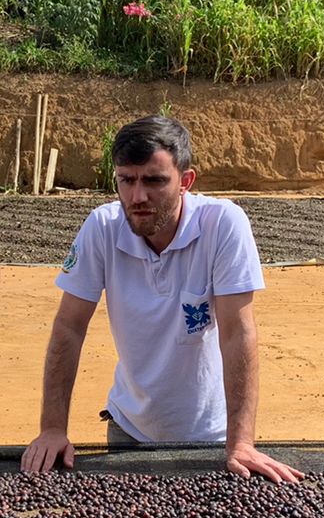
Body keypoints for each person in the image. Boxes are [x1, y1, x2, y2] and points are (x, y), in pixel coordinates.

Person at [21, 116, 303, 483]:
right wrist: (53, 428)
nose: (138, 197)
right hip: (129, 430)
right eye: (126, 180)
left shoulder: (223, 225)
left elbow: (237, 333)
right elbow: (69, 327)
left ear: (186, 181)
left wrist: (241, 443)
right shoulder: (102, 228)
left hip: (211, 437)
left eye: (154, 181)